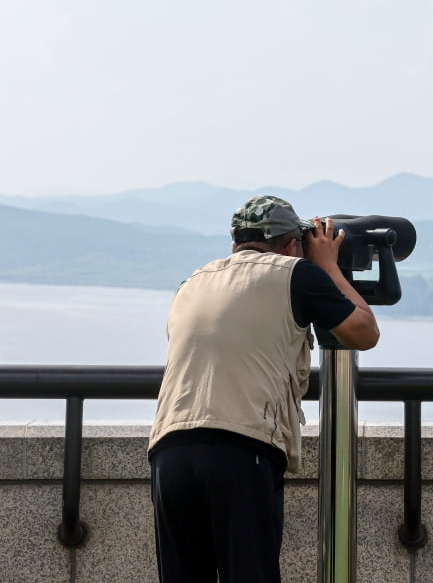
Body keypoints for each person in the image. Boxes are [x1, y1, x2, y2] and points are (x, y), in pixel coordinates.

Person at [148, 194, 380, 583]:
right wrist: (327, 267)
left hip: (169, 452)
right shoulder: (297, 274)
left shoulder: (191, 282)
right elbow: (364, 332)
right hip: (240, 449)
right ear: (293, 244)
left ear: (236, 242)